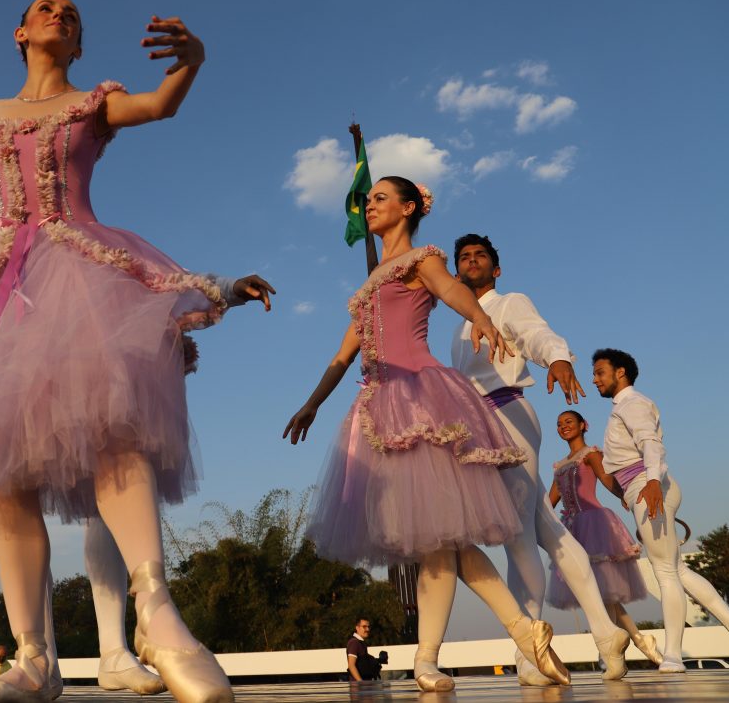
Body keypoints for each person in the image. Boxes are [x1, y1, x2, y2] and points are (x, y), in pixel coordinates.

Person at [0, 0, 238, 703]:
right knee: (6, 467)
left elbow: (160, 106)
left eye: (71, 13)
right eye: (45, 7)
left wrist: (190, 64)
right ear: (20, 33)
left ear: (78, 45)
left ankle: (158, 613)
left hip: (76, 269)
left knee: (113, 428)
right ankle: (34, 660)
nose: (59, 13)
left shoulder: (94, 103)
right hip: (1, 281)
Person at [0, 189, 274, 696]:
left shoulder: (77, 256)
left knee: (112, 454)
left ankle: (136, 629)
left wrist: (224, 288)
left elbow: (144, 278)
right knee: (10, 481)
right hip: (10, 354)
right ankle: (35, 657)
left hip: (75, 338)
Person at [284, 177, 571, 692]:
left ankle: (444, 654)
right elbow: (342, 356)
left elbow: (451, 289)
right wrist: (311, 403)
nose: (370, 205)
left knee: (443, 544)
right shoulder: (368, 288)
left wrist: (481, 316)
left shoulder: (422, 260)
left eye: (380, 198)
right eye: (369, 199)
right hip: (378, 408)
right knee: (439, 546)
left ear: (409, 207)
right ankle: (491, 642)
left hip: (420, 399)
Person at [451, 234, 630, 683]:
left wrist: (556, 358)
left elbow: (536, 333)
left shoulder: (508, 302)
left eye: (480, 256)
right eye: (464, 257)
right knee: (546, 527)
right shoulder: (458, 327)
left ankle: (530, 652)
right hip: (477, 424)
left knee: (518, 533)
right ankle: (606, 631)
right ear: (455, 272)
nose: (472, 261)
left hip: (507, 411)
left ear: (496, 268)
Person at [592, 348, 729, 673]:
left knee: (665, 571)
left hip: (649, 485)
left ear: (620, 372)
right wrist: (632, 490)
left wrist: (651, 482)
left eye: (600, 372)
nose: (595, 380)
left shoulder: (632, 404)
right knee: (677, 571)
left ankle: (673, 656)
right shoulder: (623, 407)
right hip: (644, 486)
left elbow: (651, 444)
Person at [547, 411, 662, 665]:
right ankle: (638, 640)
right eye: (559, 424)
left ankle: (610, 651)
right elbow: (549, 502)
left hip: (594, 524)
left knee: (601, 592)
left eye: (568, 422)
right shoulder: (560, 466)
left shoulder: (590, 454)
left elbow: (606, 478)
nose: (563, 426)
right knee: (596, 593)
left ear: (583, 425)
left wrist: (625, 495)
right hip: (571, 531)